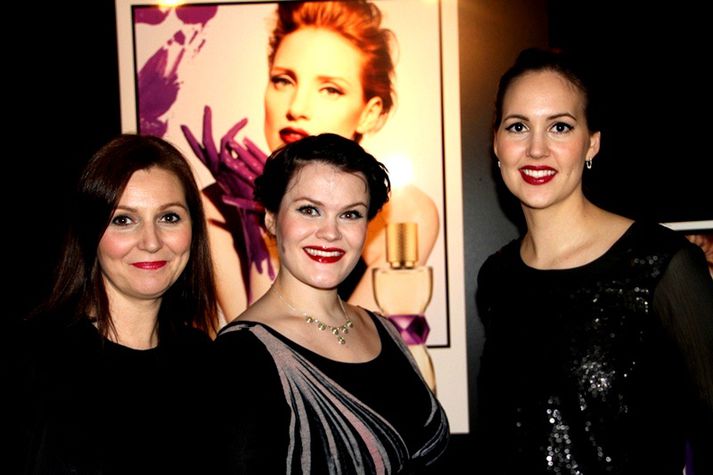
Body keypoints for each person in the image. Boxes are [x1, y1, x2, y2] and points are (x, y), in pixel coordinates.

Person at [474, 47, 713, 474]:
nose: (536, 149)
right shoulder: (497, 277)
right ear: (497, 142)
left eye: (560, 127)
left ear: (592, 143)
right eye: (518, 126)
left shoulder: (662, 266)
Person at [181, 0, 439, 325]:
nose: (297, 107)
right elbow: (257, 340)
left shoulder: (405, 213)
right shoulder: (217, 207)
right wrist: (258, 224)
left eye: (330, 89)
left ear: (370, 112)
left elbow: (340, 341)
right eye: (283, 80)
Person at [214, 133, 449, 473]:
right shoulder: (238, 357)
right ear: (271, 218)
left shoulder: (383, 328)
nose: (330, 233)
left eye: (350, 214)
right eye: (310, 210)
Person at [4, 134, 221, 474]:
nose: (151, 242)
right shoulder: (36, 359)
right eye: (123, 220)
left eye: (169, 217)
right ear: (91, 232)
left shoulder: (202, 362)